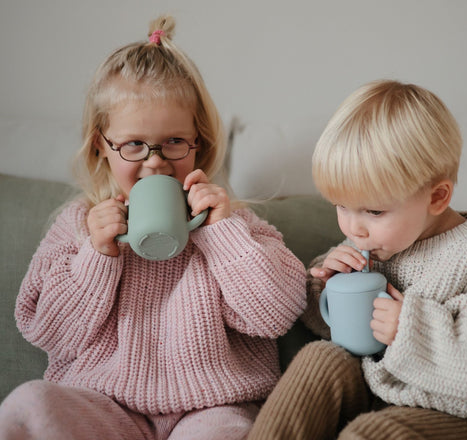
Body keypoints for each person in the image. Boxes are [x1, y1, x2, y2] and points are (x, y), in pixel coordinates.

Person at [0, 15, 307, 440]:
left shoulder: (231, 222)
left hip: (212, 406)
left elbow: (276, 314)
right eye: (133, 145)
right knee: (28, 405)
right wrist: (97, 255)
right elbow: (47, 331)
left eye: (174, 142)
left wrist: (222, 234)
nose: (155, 161)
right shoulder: (79, 225)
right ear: (100, 146)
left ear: (200, 143)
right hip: (104, 405)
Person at [247, 80, 467, 439]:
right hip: (377, 389)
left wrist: (409, 329)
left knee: (375, 434)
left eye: (373, 210)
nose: (355, 228)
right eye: (341, 206)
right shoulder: (374, 241)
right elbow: (333, 328)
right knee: (317, 360)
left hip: (453, 414)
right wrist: (327, 285)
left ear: (437, 197)